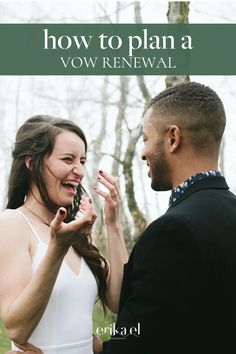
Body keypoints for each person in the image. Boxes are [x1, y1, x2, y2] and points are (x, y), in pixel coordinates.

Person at [94, 81, 236, 354]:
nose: (143, 152)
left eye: (146, 138)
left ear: (173, 138)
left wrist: (99, 348)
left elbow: (136, 346)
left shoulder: (172, 233)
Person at [0, 115, 128, 354]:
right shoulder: (13, 223)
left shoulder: (75, 230)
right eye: (68, 159)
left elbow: (117, 301)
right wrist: (57, 249)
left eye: (82, 161)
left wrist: (113, 224)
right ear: (31, 163)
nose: (78, 171)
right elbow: (17, 329)